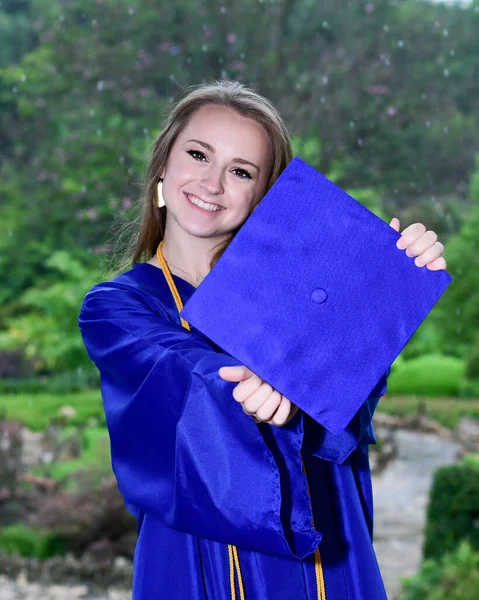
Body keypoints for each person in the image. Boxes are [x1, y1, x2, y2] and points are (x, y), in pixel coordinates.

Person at [78, 80, 447, 599]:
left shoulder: (304, 292)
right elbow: (177, 369)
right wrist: (245, 384)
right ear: (163, 163)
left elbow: (346, 414)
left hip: (325, 554)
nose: (212, 183)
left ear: (263, 194)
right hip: (196, 563)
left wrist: (388, 277)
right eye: (198, 154)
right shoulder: (118, 306)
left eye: (241, 171)